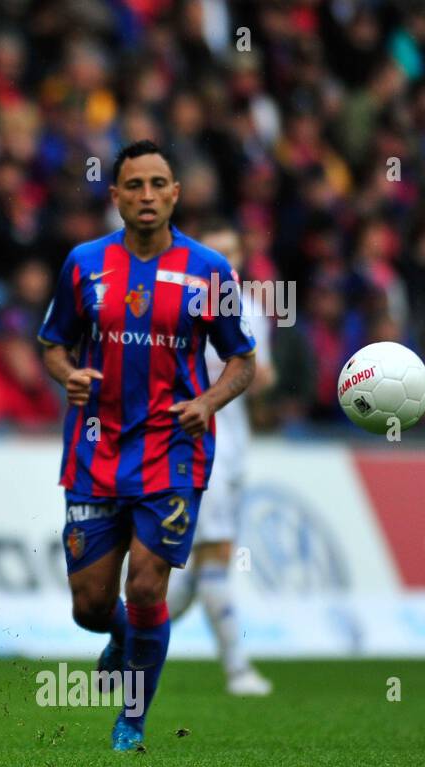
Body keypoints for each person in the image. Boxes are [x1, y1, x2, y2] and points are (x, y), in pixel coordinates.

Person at [38, 141, 257, 751]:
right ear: (115, 196)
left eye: (158, 184)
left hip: (172, 450)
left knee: (146, 588)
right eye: (133, 185)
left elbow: (242, 359)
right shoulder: (83, 263)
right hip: (94, 450)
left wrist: (207, 402)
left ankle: (131, 721)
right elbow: (53, 341)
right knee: (90, 605)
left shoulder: (211, 271)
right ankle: (123, 637)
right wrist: (67, 374)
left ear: (176, 193)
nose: (146, 196)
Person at [164, 221, 274, 696]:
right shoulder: (186, 309)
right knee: (213, 559)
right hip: (201, 448)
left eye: (233, 251)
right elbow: (256, 374)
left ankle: (129, 648)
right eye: (217, 252)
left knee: (195, 566)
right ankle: (237, 669)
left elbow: (256, 376)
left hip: (233, 447)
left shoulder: (249, 308)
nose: (226, 261)